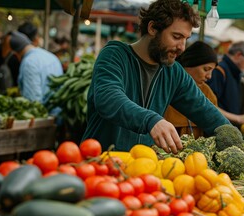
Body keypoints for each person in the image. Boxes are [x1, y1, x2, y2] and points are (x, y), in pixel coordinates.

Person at [81, 0, 230, 154]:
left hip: (144, 167)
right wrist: (151, 120)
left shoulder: (173, 72)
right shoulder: (115, 55)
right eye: (176, 36)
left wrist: (233, 137)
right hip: (99, 163)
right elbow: (108, 98)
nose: (182, 47)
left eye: (186, 39)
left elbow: (204, 110)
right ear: (152, 28)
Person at [164, 41, 244, 138]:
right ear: (189, 64)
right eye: (206, 69)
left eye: (212, 71)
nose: (209, 76)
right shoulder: (167, 86)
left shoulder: (207, 92)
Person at [9, 31, 63, 106]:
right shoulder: (52, 57)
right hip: (59, 111)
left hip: (46, 115)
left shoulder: (29, 63)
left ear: (15, 54)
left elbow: (33, 101)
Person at [206, 41, 244, 126]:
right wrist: (237, 119)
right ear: (238, 55)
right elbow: (208, 105)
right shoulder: (219, 71)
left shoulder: (235, 73)